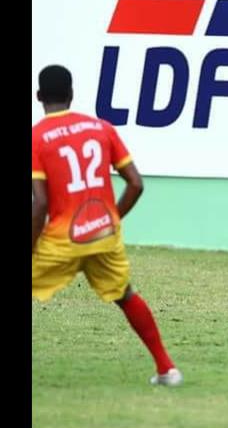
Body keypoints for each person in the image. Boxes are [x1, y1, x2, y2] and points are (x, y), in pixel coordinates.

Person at [32, 65, 182, 386]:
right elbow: (136, 184)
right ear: (72, 95)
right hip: (103, 235)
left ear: (39, 96)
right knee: (125, 295)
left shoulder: (37, 137)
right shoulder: (102, 128)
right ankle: (167, 369)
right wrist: (107, 220)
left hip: (61, 241)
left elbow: (41, 203)